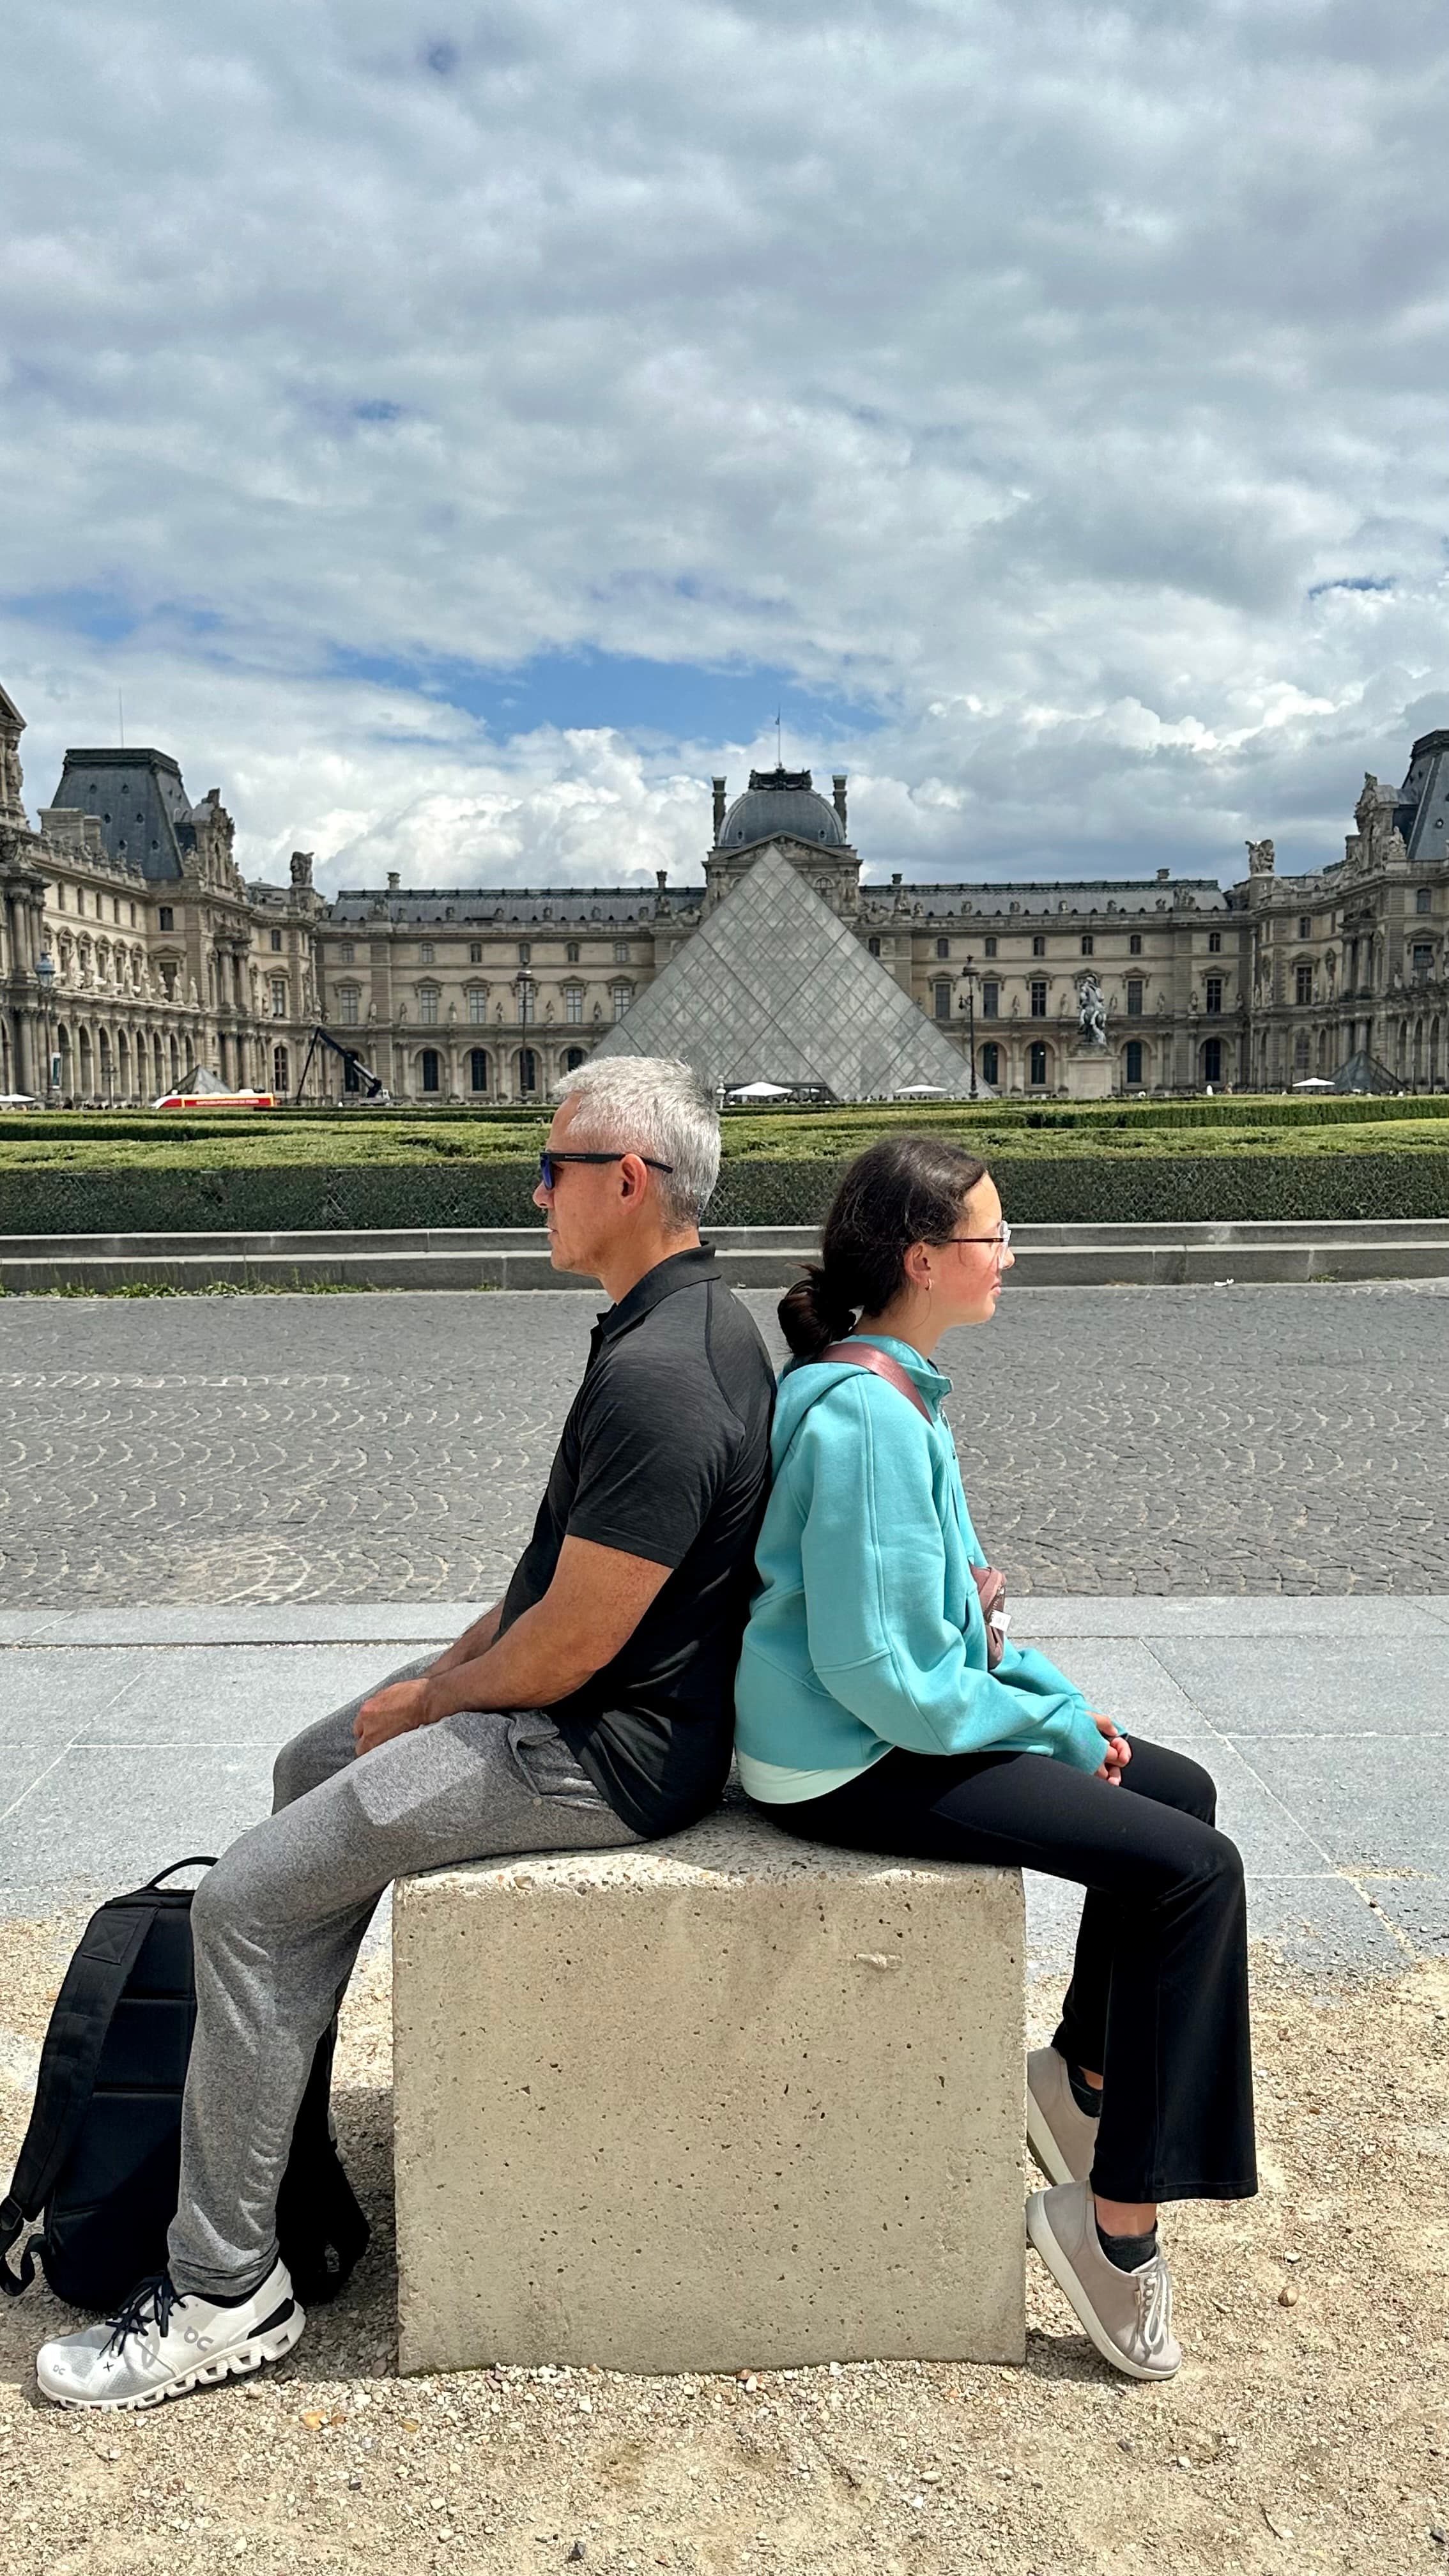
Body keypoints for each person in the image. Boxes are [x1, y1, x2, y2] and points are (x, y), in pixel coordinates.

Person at [38, 1057, 775, 2411]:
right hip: (590, 1705)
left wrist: (437, 1705)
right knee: (309, 1766)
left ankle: (220, 2291)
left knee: (247, 1904)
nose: (535, 1188)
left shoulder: (662, 1377)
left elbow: (579, 1639)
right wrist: (432, 1672)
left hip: (598, 1755)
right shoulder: (679, 1322)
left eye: (552, 1167)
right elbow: (554, 1572)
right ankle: (270, 2148)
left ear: (629, 1181)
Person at [735, 1133, 1255, 2382]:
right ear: (924, 1260)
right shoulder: (867, 1419)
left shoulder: (895, 1390)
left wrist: (1065, 1709)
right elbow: (883, 1678)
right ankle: (1112, 2227)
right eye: (993, 1236)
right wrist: (1052, 1726)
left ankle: (1079, 2073)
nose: (1010, 1255)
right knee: (1198, 1870)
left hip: (872, 1728)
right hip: (843, 1763)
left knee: (1177, 1791)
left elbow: (948, 1636)